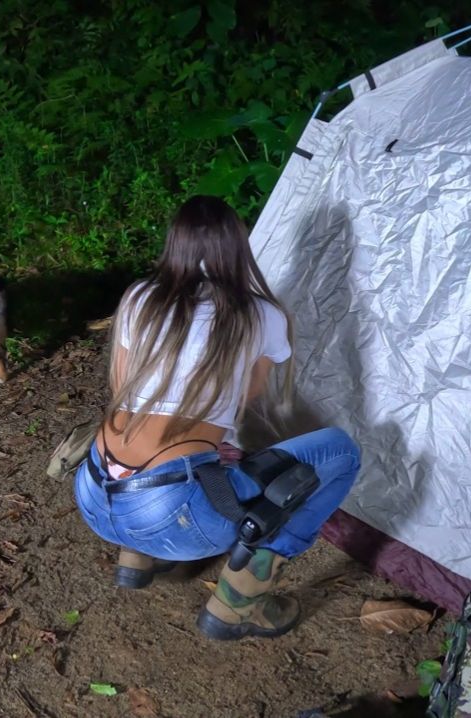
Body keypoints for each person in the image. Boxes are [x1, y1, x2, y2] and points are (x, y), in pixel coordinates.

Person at [72, 195, 360, 641]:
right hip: (171, 512)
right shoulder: (260, 314)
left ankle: (135, 558)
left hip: (94, 495)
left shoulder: (139, 297)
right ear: (237, 247)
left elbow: (122, 388)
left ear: (176, 244)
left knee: (170, 444)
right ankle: (237, 601)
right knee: (340, 450)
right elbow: (249, 393)